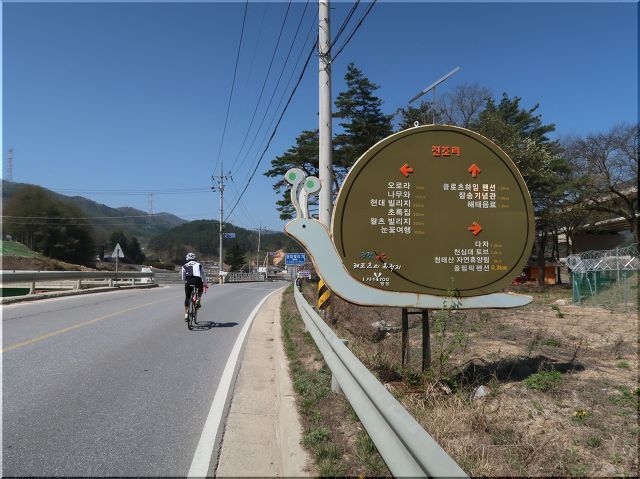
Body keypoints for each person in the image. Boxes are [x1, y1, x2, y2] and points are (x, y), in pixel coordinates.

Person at [181, 252, 208, 321]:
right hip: (197, 280)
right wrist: (205, 283)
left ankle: (186, 314)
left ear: (187, 259)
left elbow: (183, 277)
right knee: (200, 288)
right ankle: (198, 299)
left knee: (187, 297)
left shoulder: (184, 266)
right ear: (195, 258)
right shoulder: (199, 265)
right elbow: (203, 274)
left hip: (188, 280)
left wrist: (186, 283)